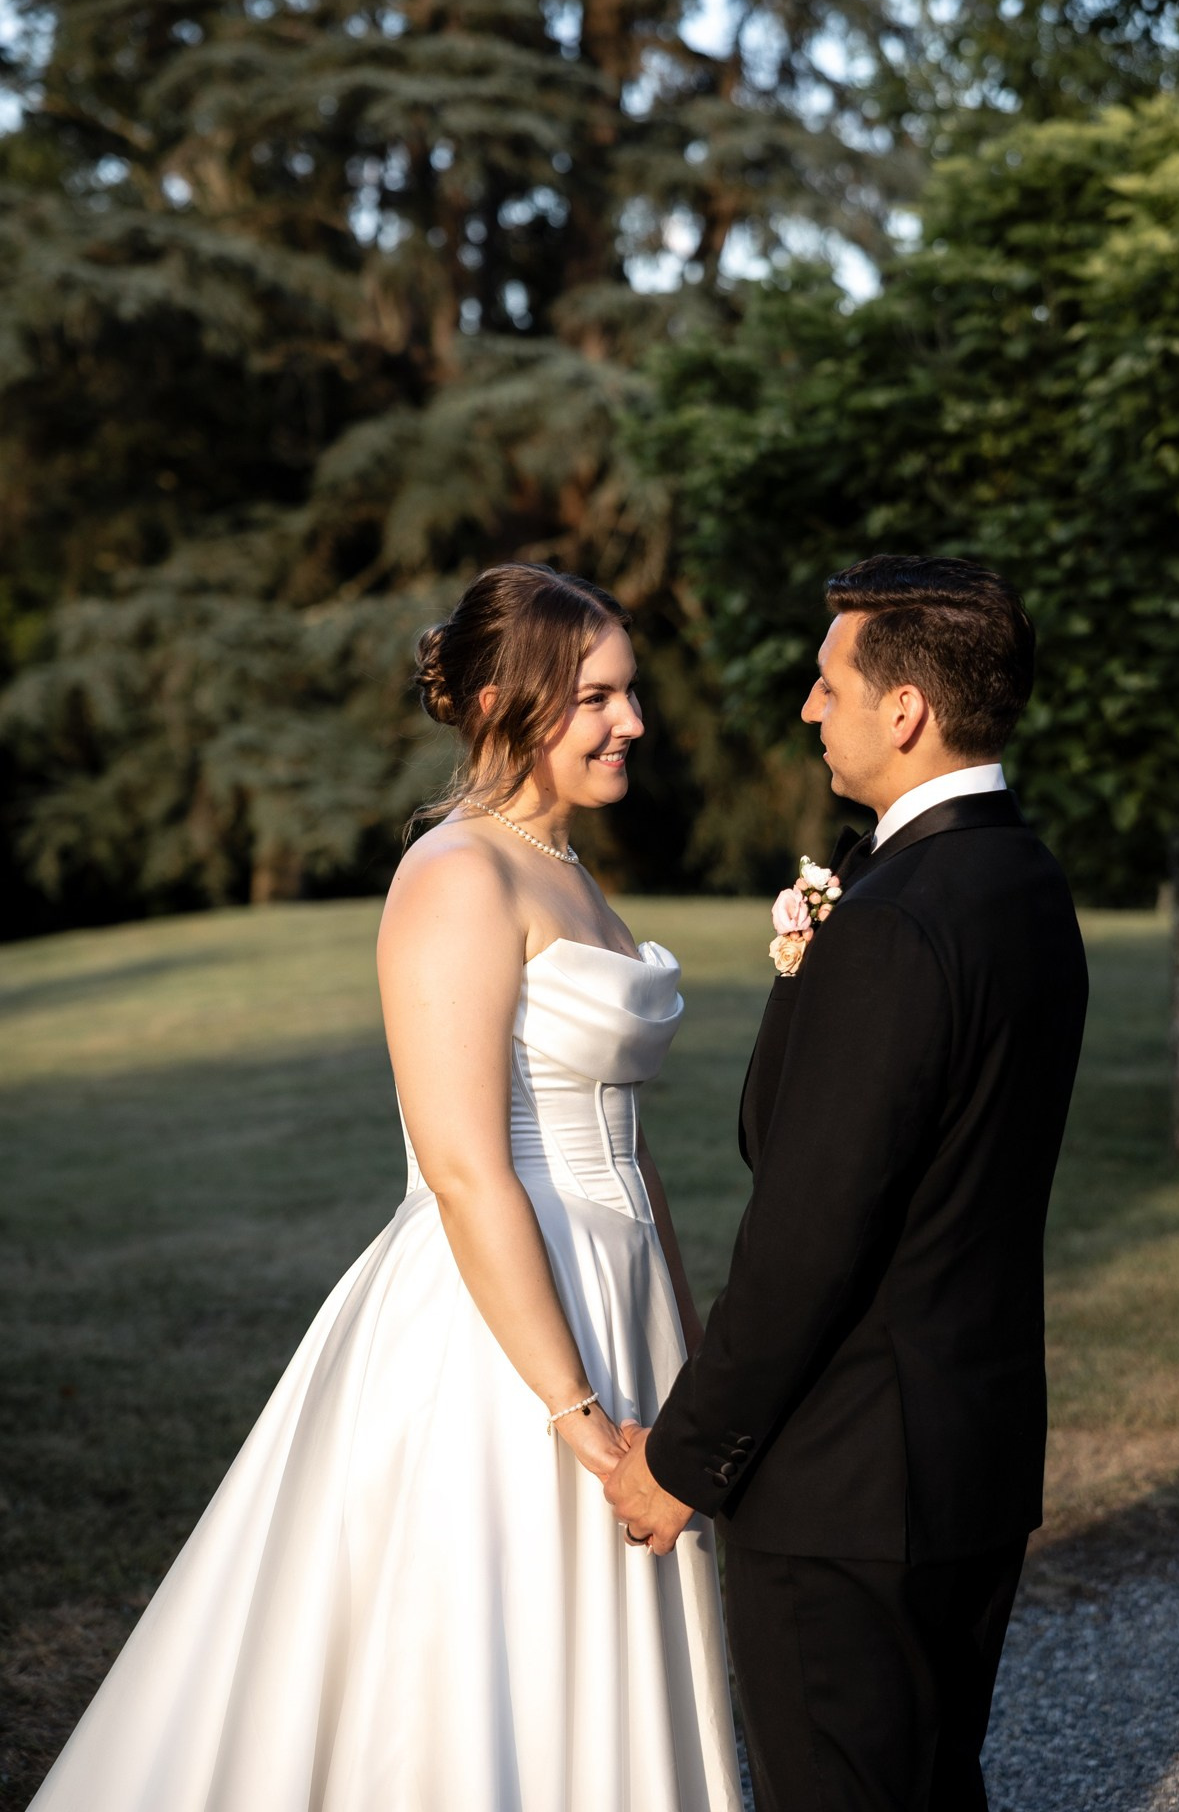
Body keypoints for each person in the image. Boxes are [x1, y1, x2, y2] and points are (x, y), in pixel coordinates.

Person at [30, 563, 743, 1812]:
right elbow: (466, 1167)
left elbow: (627, 1152)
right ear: (496, 705)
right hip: (502, 1332)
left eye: (627, 695)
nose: (629, 721)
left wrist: (677, 1357)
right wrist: (574, 1412)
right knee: (488, 1655)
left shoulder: (569, 872)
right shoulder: (458, 875)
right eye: (594, 698)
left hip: (618, 1297)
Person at [606, 554, 1090, 1812]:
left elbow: (809, 1234)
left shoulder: (892, 918)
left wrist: (684, 1459)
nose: (808, 708)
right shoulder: (1024, 882)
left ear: (905, 711)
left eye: (828, 684)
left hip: (848, 1487)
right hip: (969, 1455)